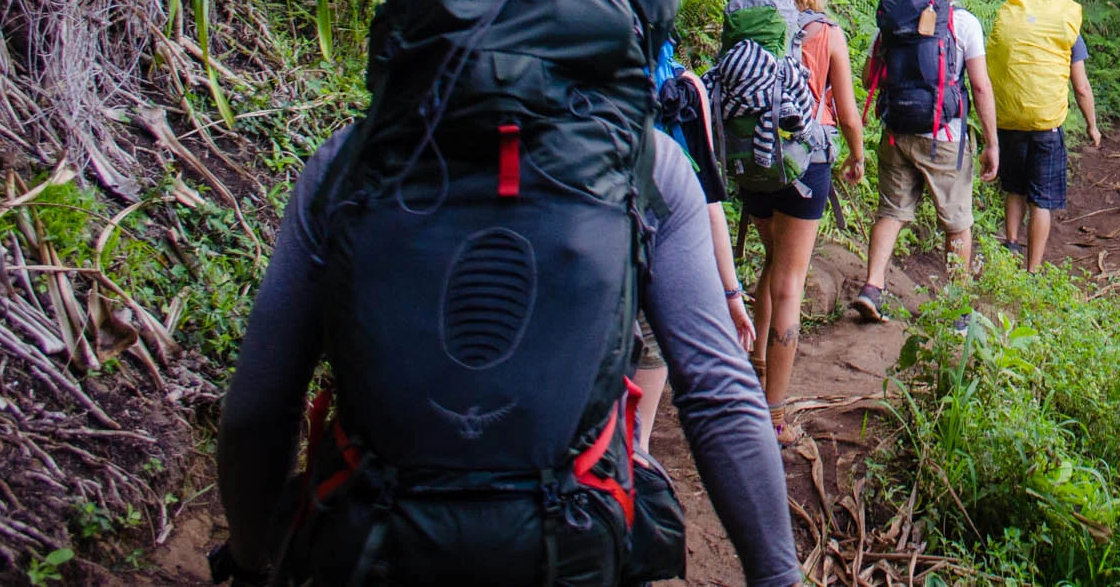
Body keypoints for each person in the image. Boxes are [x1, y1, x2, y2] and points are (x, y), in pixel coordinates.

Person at [216, 131, 798, 587]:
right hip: (573, 546)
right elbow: (719, 396)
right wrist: (776, 575)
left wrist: (249, 559)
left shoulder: (348, 160)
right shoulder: (646, 162)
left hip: (375, 545)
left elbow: (258, 409)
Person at [740, 0, 866, 441]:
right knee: (790, 283)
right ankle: (773, 415)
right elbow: (848, 113)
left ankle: (757, 363)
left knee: (772, 262)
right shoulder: (827, 32)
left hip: (756, 158)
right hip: (804, 162)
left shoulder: (759, 25)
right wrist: (857, 156)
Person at [850, 0, 998, 322]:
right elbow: (980, 86)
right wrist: (992, 143)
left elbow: (868, 78)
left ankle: (872, 288)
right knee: (957, 223)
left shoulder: (894, 19)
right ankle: (956, 309)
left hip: (896, 132)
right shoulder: (964, 23)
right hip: (944, 136)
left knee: (891, 211)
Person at [636, 43, 758, 449]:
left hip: (580, 253)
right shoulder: (682, 86)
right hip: (653, 247)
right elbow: (708, 203)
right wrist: (731, 294)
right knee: (637, 432)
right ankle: (636, 456)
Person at [989, 0, 1102, 272]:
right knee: (1041, 200)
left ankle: (1011, 245)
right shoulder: (1065, 25)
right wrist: (1092, 125)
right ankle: (1033, 269)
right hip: (1046, 125)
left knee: (1014, 188)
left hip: (1009, 119)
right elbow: (1081, 86)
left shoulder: (1011, 18)